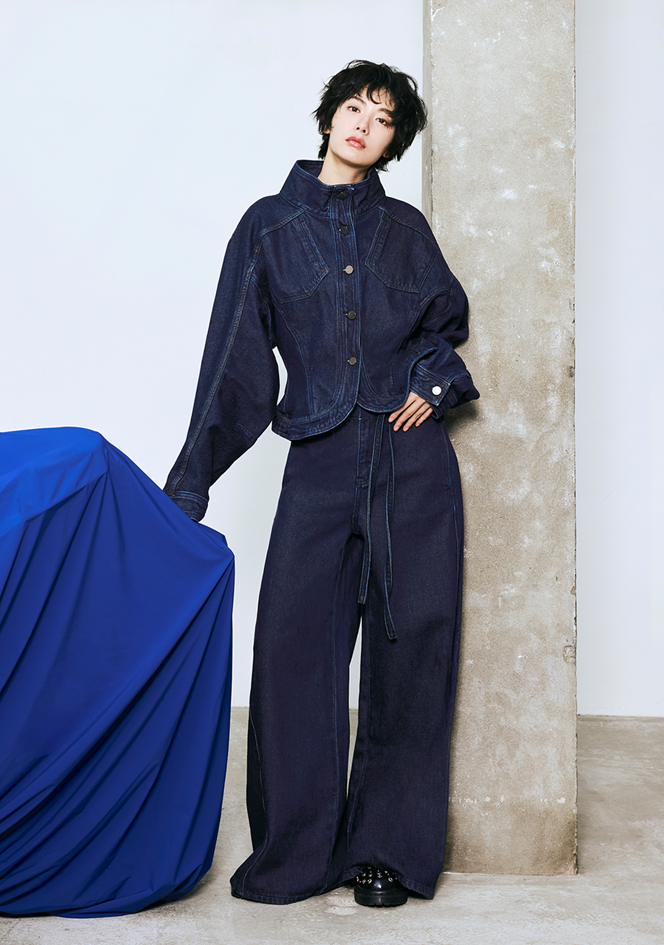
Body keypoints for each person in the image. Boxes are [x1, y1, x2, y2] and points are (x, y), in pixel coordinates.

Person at [165, 59, 479, 908]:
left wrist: (435, 382)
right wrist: (188, 487)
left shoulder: (406, 228)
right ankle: (297, 852)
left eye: (383, 120)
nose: (363, 125)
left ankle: (387, 853)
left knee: (411, 648)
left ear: (393, 143)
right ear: (329, 116)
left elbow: (446, 321)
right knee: (294, 649)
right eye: (354, 108)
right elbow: (233, 365)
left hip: (412, 461)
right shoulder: (267, 226)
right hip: (321, 460)